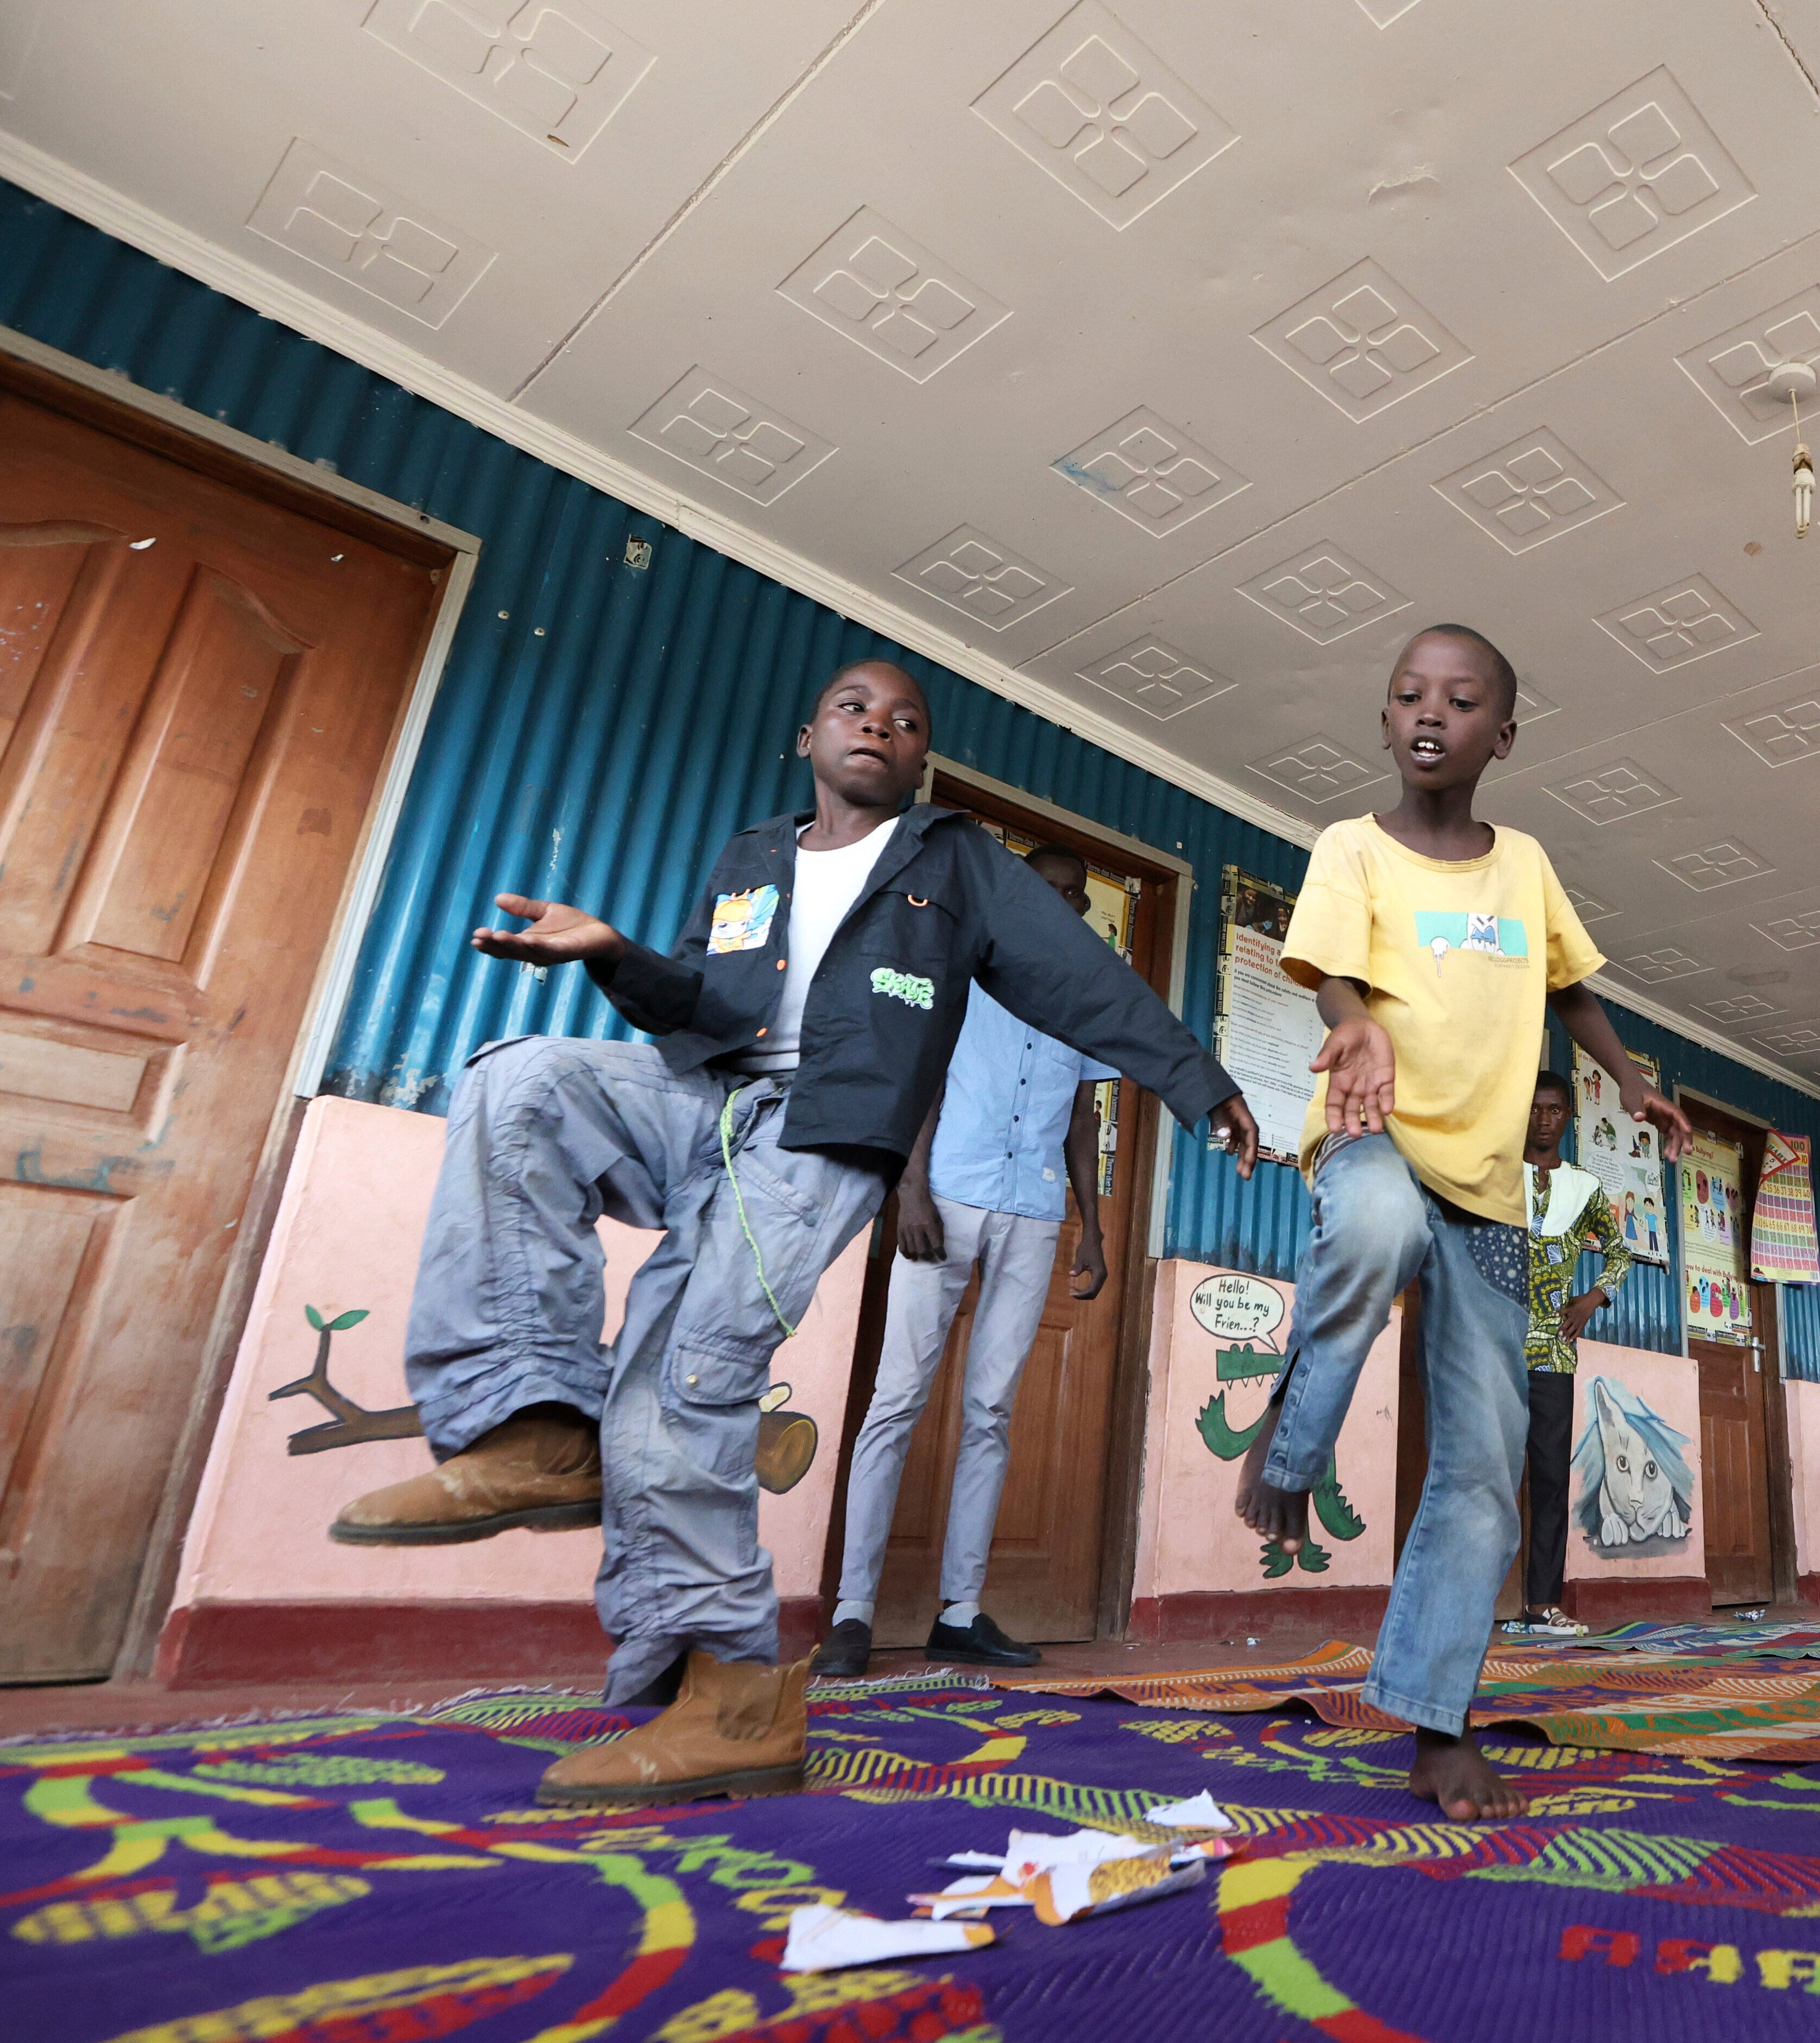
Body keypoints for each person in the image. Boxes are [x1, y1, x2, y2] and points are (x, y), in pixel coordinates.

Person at [331, 658, 1259, 1806]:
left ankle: (729, 1699)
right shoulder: (753, 856)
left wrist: (1196, 1082)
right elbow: (706, 1011)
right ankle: (531, 1422)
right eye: (854, 709)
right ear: (808, 733)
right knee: (521, 1079)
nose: (878, 724)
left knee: (688, 1376)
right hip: (706, 1098)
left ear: (922, 762)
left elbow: (1080, 978)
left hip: (822, 1133)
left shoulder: (954, 862)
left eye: (905, 721)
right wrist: (616, 954)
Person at [1231, 624, 1690, 1820]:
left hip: (1490, 1192)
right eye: (1407, 694)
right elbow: (1329, 971)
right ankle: (1293, 1439)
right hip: (1378, 1140)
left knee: (1483, 1470)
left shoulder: (1523, 866)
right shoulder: (1352, 850)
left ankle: (1436, 1716)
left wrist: (1629, 1080)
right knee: (1373, 1235)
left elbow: (1570, 984)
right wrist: (1358, 1023)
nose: (1430, 712)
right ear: (1385, 720)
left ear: (1502, 732)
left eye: (1461, 698)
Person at [812, 843, 1124, 1681]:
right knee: (896, 1399)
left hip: (1033, 1213)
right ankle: (851, 1612)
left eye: (1076, 896)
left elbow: (1083, 1120)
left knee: (990, 1409)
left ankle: (958, 1611)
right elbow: (919, 1081)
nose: (1063, 902)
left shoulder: (1083, 996)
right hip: (944, 1200)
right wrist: (907, 1188)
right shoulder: (957, 968)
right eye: (1048, 887)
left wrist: (1089, 1227)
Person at [1513, 1069, 1635, 1637]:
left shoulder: (1584, 1188)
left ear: (1568, 1117)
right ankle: (1463, 1601)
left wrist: (1593, 1298)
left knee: (1549, 1482)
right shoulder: (1494, 1175)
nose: (1543, 1118)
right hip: (1491, 1346)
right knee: (1481, 1476)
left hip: (1553, 1355)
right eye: (1534, 1108)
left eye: (1554, 1109)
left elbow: (1619, 1251)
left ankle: (1541, 1605)